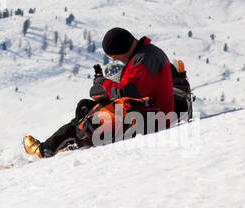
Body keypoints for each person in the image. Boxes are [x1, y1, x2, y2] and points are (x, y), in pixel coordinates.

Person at [23, 27, 176, 157]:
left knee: (84, 121)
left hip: (149, 121)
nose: (116, 60)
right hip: (143, 113)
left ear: (122, 49)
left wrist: (103, 83)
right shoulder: (144, 55)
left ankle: (43, 151)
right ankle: (72, 145)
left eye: (114, 56)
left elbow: (126, 91)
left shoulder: (144, 59)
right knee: (85, 107)